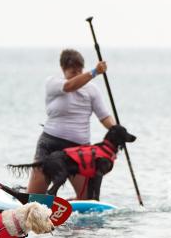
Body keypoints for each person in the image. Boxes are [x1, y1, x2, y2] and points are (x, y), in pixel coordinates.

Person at [26, 49, 116, 197]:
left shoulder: (92, 90)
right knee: (34, 198)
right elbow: (70, 86)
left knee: (88, 199)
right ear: (63, 69)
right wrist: (94, 72)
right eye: (73, 71)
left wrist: (116, 131)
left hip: (80, 151)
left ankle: (69, 204)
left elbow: (104, 117)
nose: (77, 74)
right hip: (50, 145)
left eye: (80, 70)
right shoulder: (53, 83)